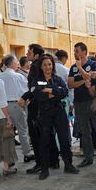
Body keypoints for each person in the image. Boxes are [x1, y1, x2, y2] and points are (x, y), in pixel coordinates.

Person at [32, 54, 79, 180]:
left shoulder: (57, 79)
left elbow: (63, 92)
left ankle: (68, 165)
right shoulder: (36, 80)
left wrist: (50, 90)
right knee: (45, 141)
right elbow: (37, 94)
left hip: (59, 112)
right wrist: (53, 93)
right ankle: (45, 168)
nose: (48, 67)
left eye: (50, 64)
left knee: (64, 139)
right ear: (41, 67)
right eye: (45, 65)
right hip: (45, 114)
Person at [19, 44, 59, 173]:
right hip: (44, 103)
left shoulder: (37, 66)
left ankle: (41, 163)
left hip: (37, 104)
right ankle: (53, 161)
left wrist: (26, 97)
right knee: (47, 132)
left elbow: (36, 87)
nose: (26, 54)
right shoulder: (39, 65)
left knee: (37, 134)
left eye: (29, 52)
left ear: (36, 54)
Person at [67, 42, 96, 168]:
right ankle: (88, 157)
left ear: (84, 52)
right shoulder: (72, 67)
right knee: (84, 131)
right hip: (79, 102)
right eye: (74, 51)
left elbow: (91, 78)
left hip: (92, 101)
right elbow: (70, 84)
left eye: (77, 51)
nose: (75, 53)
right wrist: (84, 79)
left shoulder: (93, 64)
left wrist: (80, 68)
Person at [0, 54, 35, 163]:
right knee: (22, 130)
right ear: (12, 63)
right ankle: (27, 153)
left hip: (3, 106)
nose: (18, 64)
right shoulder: (18, 76)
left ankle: (8, 157)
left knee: (7, 132)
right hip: (16, 105)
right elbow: (25, 92)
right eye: (16, 62)